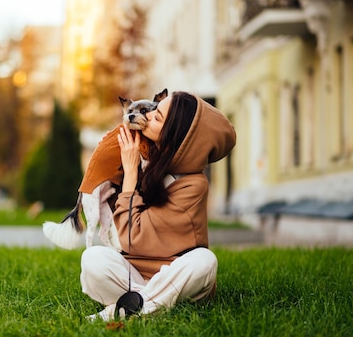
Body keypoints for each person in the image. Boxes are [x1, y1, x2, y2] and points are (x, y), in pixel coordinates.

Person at [80, 91, 236, 321]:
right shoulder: (149, 164)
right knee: (92, 259)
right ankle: (151, 305)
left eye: (157, 116)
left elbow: (131, 239)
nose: (148, 116)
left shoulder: (193, 186)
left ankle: (122, 310)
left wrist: (131, 173)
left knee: (204, 261)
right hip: (135, 275)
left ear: (178, 139)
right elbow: (122, 242)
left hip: (175, 276)